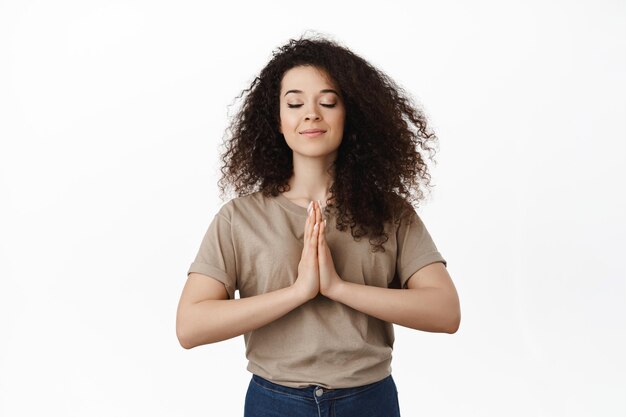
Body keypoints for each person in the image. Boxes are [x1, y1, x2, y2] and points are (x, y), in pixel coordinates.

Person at [176, 33, 461, 417]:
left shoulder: (391, 213)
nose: (311, 113)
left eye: (328, 102)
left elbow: (445, 312)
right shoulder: (239, 217)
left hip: (369, 400)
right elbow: (190, 326)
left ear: (351, 114)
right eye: (295, 103)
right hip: (274, 402)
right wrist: (298, 292)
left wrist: (337, 287)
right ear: (277, 120)